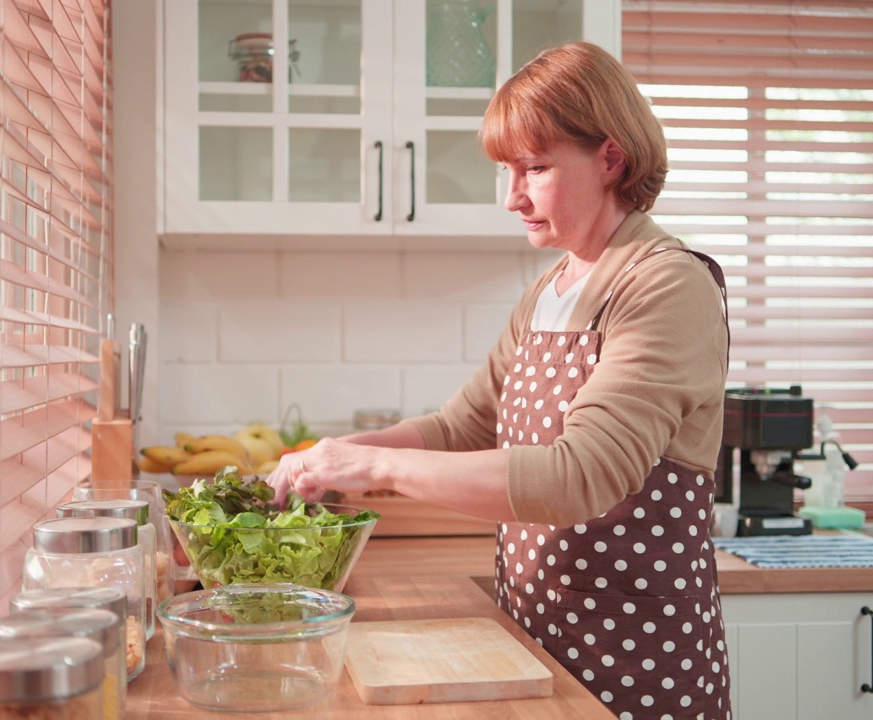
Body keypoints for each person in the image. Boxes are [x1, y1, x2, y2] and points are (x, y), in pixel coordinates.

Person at [267, 40, 731, 719]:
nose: (510, 196)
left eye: (535, 168)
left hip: (636, 667)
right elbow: (461, 428)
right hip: (536, 643)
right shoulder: (552, 289)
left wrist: (373, 465)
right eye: (506, 170)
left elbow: (582, 476)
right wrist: (330, 457)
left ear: (611, 158)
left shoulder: (666, 284)